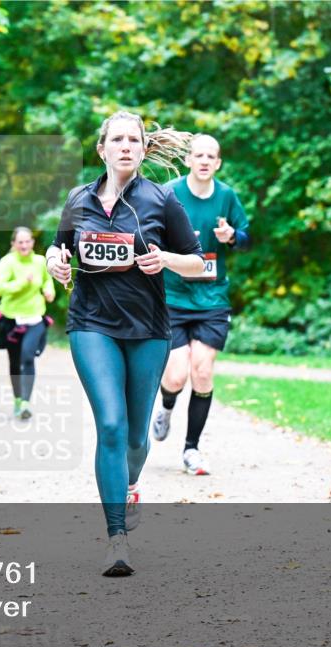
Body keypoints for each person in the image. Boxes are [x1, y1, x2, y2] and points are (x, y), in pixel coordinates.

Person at [46, 111, 205, 576]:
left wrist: (167, 260)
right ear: (102, 149)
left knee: (137, 437)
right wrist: (54, 261)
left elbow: (199, 263)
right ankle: (117, 537)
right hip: (92, 324)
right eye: (116, 139)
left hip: (148, 329)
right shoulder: (78, 199)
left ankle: (129, 484)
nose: (125, 146)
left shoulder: (161, 201)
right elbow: (58, 247)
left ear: (143, 148)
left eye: (133, 140)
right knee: (111, 427)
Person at [149, 134, 251, 476]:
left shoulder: (226, 196)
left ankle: (191, 449)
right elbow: (149, 230)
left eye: (211, 156)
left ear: (218, 163)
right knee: (177, 375)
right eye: (199, 155)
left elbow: (247, 237)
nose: (205, 161)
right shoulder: (170, 193)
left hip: (212, 298)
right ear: (189, 160)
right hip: (174, 296)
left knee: (202, 371)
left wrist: (232, 236)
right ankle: (165, 407)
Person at [0, 226, 55, 420]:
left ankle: (26, 402)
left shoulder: (40, 261)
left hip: (35, 317)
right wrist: (21, 283)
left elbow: (46, 280)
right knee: (14, 361)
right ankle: (18, 399)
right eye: (20, 242)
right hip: (11, 320)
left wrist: (48, 290)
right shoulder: (7, 262)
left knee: (28, 356)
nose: (24, 245)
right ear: (14, 244)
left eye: (28, 241)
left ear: (32, 243)